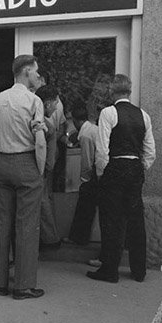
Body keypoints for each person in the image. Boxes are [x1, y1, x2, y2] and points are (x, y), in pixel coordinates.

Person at [0, 55, 46, 300]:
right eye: (35, 71)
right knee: (27, 226)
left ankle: (0, 280)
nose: (37, 76)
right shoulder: (33, 101)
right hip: (26, 161)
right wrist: (39, 170)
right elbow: (40, 141)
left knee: (3, 222)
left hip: (2, 163)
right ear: (26, 71)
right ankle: (23, 285)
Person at [86, 74, 156, 284]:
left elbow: (102, 148)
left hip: (115, 168)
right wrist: (139, 166)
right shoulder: (143, 115)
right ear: (129, 91)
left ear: (112, 92)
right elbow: (150, 151)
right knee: (135, 220)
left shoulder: (109, 113)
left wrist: (102, 172)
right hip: (135, 167)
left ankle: (110, 270)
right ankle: (138, 270)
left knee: (112, 220)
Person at [67, 101, 99, 246]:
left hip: (93, 175)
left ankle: (78, 237)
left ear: (74, 120)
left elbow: (87, 159)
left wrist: (84, 179)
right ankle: (80, 237)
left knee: (85, 207)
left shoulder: (85, 135)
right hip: (99, 172)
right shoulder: (93, 129)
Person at [36, 84, 62, 249]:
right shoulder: (48, 127)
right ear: (47, 104)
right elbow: (50, 160)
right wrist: (46, 169)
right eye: (55, 103)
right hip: (40, 170)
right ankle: (50, 238)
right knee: (43, 202)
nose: (56, 107)